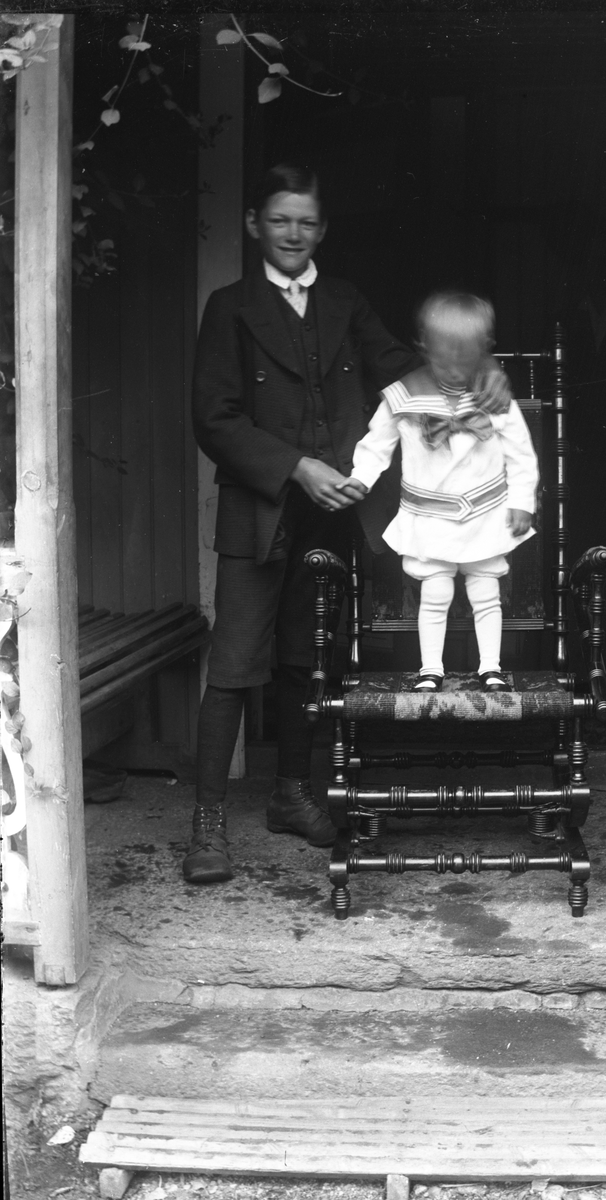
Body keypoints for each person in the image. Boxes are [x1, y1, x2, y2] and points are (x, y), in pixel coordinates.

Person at [188, 166, 509, 884]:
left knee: (304, 660)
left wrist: (476, 373)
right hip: (260, 510)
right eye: (280, 220)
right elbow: (214, 418)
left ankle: (290, 795)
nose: (293, 233)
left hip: (330, 514)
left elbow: (398, 367)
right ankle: (207, 822)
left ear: (322, 229)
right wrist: (295, 466)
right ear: (254, 225)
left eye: (306, 221)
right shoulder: (230, 307)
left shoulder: (344, 301)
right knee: (235, 664)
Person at [344, 292, 538, 694]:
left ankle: (490, 667)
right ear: (423, 347)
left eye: (465, 358)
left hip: (484, 510)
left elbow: (521, 453)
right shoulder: (406, 395)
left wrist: (522, 501)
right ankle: (431, 668)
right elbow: (377, 442)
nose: (454, 368)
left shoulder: (492, 397)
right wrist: (361, 477)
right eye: (443, 357)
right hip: (428, 513)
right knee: (435, 591)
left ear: (484, 351)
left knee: (486, 590)